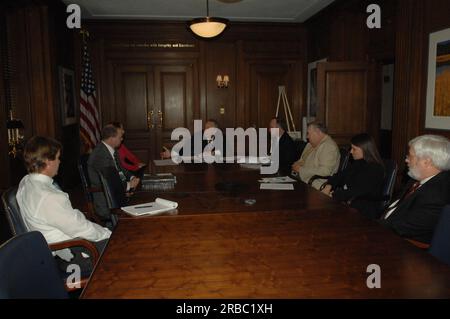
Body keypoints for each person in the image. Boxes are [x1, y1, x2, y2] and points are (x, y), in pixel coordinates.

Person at [16, 136, 111, 272]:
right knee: (119, 249)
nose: (60, 162)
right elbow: (81, 228)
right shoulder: (48, 196)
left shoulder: (26, 182)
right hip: (70, 254)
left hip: (48, 249)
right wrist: (108, 234)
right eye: (58, 158)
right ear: (48, 162)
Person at [380, 134, 450, 244]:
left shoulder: (438, 194)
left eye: (410, 156)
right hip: (386, 231)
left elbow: (404, 228)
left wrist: (368, 226)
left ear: (427, 162)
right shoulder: (416, 178)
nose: (406, 160)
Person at [321, 133, 385, 219]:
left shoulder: (375, 169)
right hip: (350, 202)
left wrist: (334, 195)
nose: (351, 152)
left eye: (354, 149)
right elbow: (340, 175)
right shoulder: (358, 163)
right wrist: (328, 186)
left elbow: (358, 191)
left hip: (364, 210)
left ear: (365, 150)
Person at [88, 124, 140, 226]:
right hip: (107, 201)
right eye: (120, 137)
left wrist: (132, 177)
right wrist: (129, 185)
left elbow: (121, 170)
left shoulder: (111, 150)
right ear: (111, 139)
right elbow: (110, 181)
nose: (122, 139)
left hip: (118, 193)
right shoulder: (100, 154)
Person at [291, 122, 340, 190]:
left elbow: (325, 171)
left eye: (308, 133)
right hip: (302, 178)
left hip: (316, 183)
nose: (307, 137)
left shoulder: (329, 146)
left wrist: (300, 170)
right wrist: (296, 165)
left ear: (318, 132)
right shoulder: (310, 144)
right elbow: (302, 160)